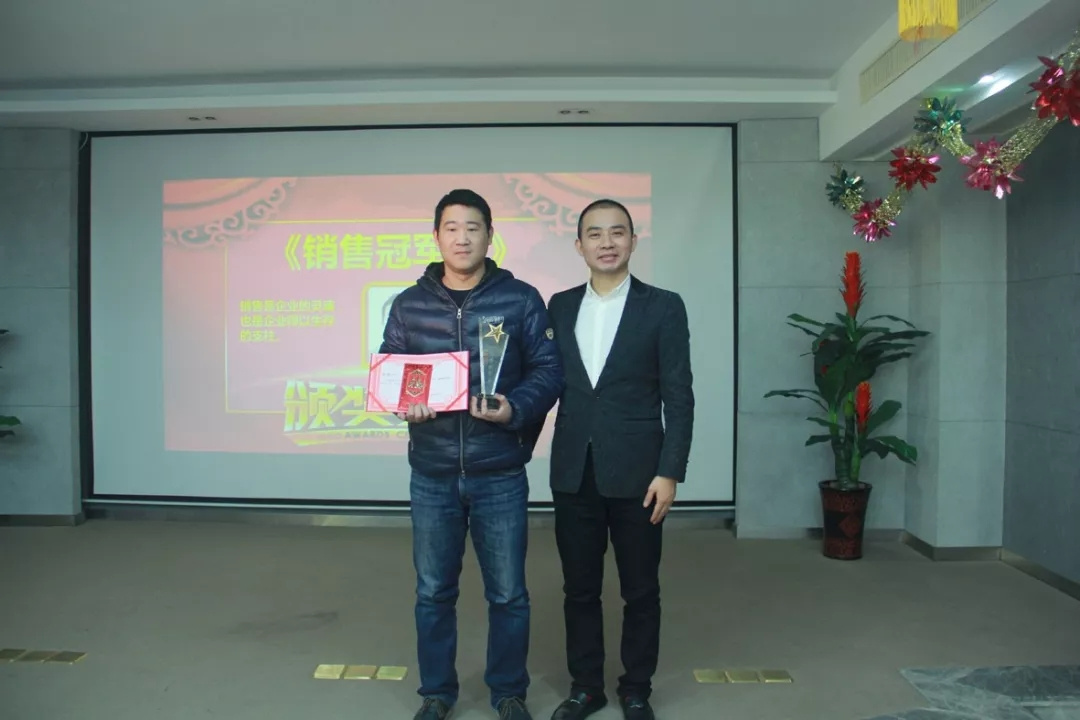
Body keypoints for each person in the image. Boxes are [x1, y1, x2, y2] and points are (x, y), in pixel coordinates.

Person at [380, 189, 564, 720]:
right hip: (432, 473)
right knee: (433, 592)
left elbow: (549, 369)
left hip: (499, 471)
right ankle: (437, 693)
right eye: (452, 228)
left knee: (508, 594)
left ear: (489, 235)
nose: (462, 238)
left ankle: (508, 691)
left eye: (473, 227)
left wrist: (515, 408)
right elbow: (392, 370)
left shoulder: (521, 299)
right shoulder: (409, 304)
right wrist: (405, 403)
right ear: (436, 236)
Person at [545, 199, 694, 720]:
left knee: (641, 589)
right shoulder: (560, 305)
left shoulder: (664, 306)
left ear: (633, 240)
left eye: (616, 232)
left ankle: (636, 687)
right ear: (579, 245)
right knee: (579, 589)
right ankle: (586, 686)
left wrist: (670, 471)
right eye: (594, 233)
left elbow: (679, 396)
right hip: (573, 471)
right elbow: (548, 381)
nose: (606, 242)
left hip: (640, 474)